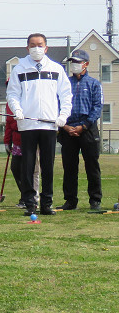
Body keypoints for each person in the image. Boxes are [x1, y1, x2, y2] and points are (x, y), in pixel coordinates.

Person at [6, 33, 72, 216]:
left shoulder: (56, 69)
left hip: (50, 125)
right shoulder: (19, 69)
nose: (37, 48)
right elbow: (12, 94)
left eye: (40, 45)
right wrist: (17, 110)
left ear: (46, 47)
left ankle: (47, 203)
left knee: (47, 166)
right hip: (27, 125)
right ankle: (29, 203)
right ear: (27, 48)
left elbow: (66, 95)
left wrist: (63, 116)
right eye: (33, 45)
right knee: (27, 166)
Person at [57, 49, 103, 211]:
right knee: (69, 167)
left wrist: (83, 126)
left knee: (92, 165)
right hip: (67, 128)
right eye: (72, 62)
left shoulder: (94, 84)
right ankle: (70, 200)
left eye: (77, 62)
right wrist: (65, 126)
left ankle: (95, 200)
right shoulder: (64, 84)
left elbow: (97, 108)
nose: (74, 65)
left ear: (86, 64)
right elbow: (58, 105)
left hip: (87, 129)